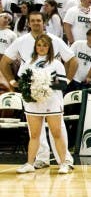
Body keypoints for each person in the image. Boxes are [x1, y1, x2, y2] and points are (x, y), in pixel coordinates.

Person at [14, 35, 71, 175]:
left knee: (57, 133)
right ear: (35, 47)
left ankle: (63, 163)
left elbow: (63, 84)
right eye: (39, 45)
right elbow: (21, 83)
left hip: (52, 102)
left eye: (45, 45)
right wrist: (31, 88)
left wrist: (44, 84)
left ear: (49, 48)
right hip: (33, 103)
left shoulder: (57, 63)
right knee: (34, 135)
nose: (41, 48)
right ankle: (29, 163)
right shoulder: (27, 63)